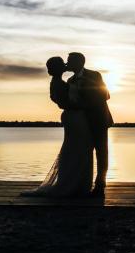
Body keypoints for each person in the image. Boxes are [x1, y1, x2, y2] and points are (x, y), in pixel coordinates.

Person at [20, 56, 94, 197]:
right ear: (57, 69)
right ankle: (71, 184)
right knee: (75, 149)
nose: (66, 64)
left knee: (78, 150)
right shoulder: (58, 83)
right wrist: (84, 105)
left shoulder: (61, 81)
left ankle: (78, 184)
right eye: (62, 64)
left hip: (76, 117)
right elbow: (64, 103)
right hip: (74, 117)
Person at [65, 52, 113, 197]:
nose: (67, 64)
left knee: (101, 152)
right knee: (83, 153)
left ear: (79, 62)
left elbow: (105, 95)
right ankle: (82, 184)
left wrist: (83, 103)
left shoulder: (94, 75)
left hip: (98, 119)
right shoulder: (70, 80)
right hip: (80, 122)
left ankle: (100, 186)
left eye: (69, 61)